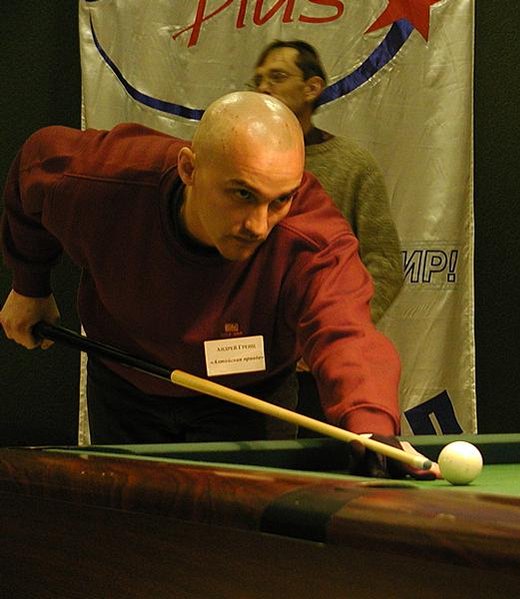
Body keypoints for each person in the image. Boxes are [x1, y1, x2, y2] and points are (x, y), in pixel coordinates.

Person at [0, 91, 433, 479]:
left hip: (249, 397)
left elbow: (349, 335)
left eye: (280, 199)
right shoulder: (107, 179)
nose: (259, 225)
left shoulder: (311, 237)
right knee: (134, 531)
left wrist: (370, 427)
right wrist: (29, 285)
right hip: (126, 383)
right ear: (189, 168)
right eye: (242, 194)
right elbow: (34, 163)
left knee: (242, 537)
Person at [251, 40, 404, 428]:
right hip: (248, 367)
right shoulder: (238, 161)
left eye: (277, 76)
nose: (263, 88)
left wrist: (334, 333)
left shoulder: (352, 165)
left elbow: (384, 262)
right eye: (258, 80)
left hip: (323, 370)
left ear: (312, 87)